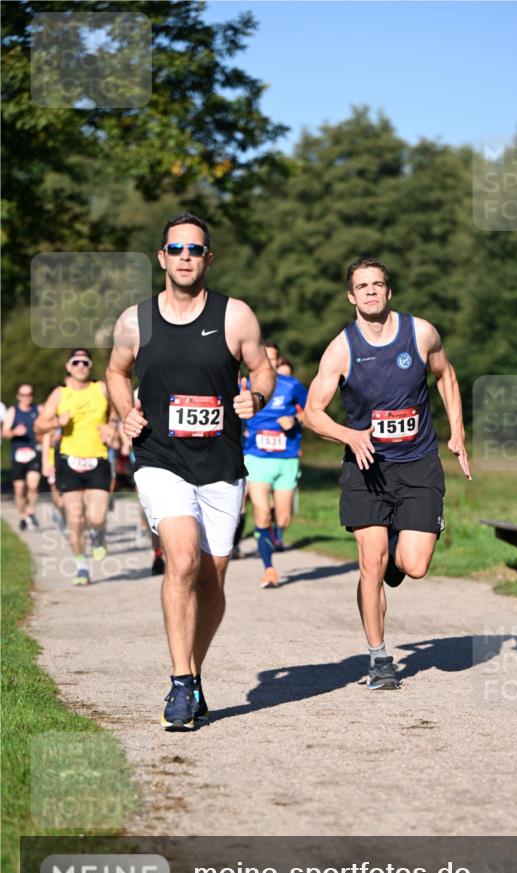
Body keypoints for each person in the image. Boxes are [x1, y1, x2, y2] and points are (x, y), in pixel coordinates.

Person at [106, 211, 275, 731]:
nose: (185, 257)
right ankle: (180, 684)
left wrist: (258, 395)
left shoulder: (235, 316)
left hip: (222, 464)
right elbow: (116, 370)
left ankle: (195, 673)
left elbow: (261, 365)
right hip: (161, 458)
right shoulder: (136, 320)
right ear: (161, 257)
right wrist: (124, 411)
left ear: (207, 258)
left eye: (195, 250)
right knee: (180, 561)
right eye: (176, 248)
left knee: (212, 578)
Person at [304, 256, 471, 690]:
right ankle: (379, 660)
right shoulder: (341, 349)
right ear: (351, 296)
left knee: (413, 566)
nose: (372, 292)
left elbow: (446, 375)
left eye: (378, 284)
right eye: (363, 286)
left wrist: (458, 432)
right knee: (370, 562)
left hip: (418, 464)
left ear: (389, 291)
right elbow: (312, 414)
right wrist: (349, 435)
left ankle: (397, 551)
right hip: (367, 468)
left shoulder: (421, 333)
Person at [36, 349, 119, 584]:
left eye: (86, 362)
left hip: (98, 459)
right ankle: (81, 566)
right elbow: (39, 425)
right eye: (76, 362)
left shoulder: (101, 388)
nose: (81, 366)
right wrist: (56, 422)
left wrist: (111, 425)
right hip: (68, 460)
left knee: (97, 516)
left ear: (90, 367)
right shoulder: (59, 394)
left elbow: (116, 409)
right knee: (75, 517)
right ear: (68, 367)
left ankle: (99, 535)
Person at [244, 342, 308, 587]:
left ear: (279, 361)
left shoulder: (292, 386)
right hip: (256, 458)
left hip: (286, 459)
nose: (269, 364)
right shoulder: (246, 386)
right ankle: (269, 569)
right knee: (260, 512)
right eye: (264, 359)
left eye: (273, 360)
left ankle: (271, 526)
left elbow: (312, 412)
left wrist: (294, 419)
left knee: (283, 520)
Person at [2, 384, 42, 530]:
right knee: (19, 489)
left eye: (29, 394)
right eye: (23, 395)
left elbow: (47, 427)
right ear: (18, 396)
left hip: (34, 453)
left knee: (33, 485)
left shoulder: (38, 409)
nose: (27, 397)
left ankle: (31, 510)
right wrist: (14, 432)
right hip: (18, 455)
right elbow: (4, 432)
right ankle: (23, 515)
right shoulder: (13, 411)